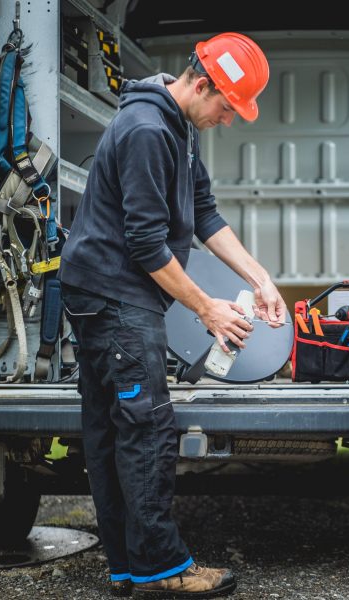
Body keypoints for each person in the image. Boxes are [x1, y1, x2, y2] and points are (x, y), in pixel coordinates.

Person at [58, 32, 286, 598]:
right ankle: (164, 567)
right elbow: (145, 244)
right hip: (113, 296)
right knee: (147, 429)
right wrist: (208, 309)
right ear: (202, 83)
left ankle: (129, 567)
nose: (228, 120)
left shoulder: (179, 125)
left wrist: (259, 280)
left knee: (115, 432)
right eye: (228, 108)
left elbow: (204, 214)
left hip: (109, 292)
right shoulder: (146, 130)